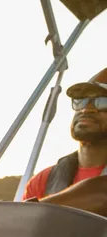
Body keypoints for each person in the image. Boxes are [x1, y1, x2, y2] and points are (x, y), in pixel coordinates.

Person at [23, 68, 107, 216]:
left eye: (101, 101)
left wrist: (31, 212)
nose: (86, 109)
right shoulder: (42, 181)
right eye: (81, 101)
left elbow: (103, 194)